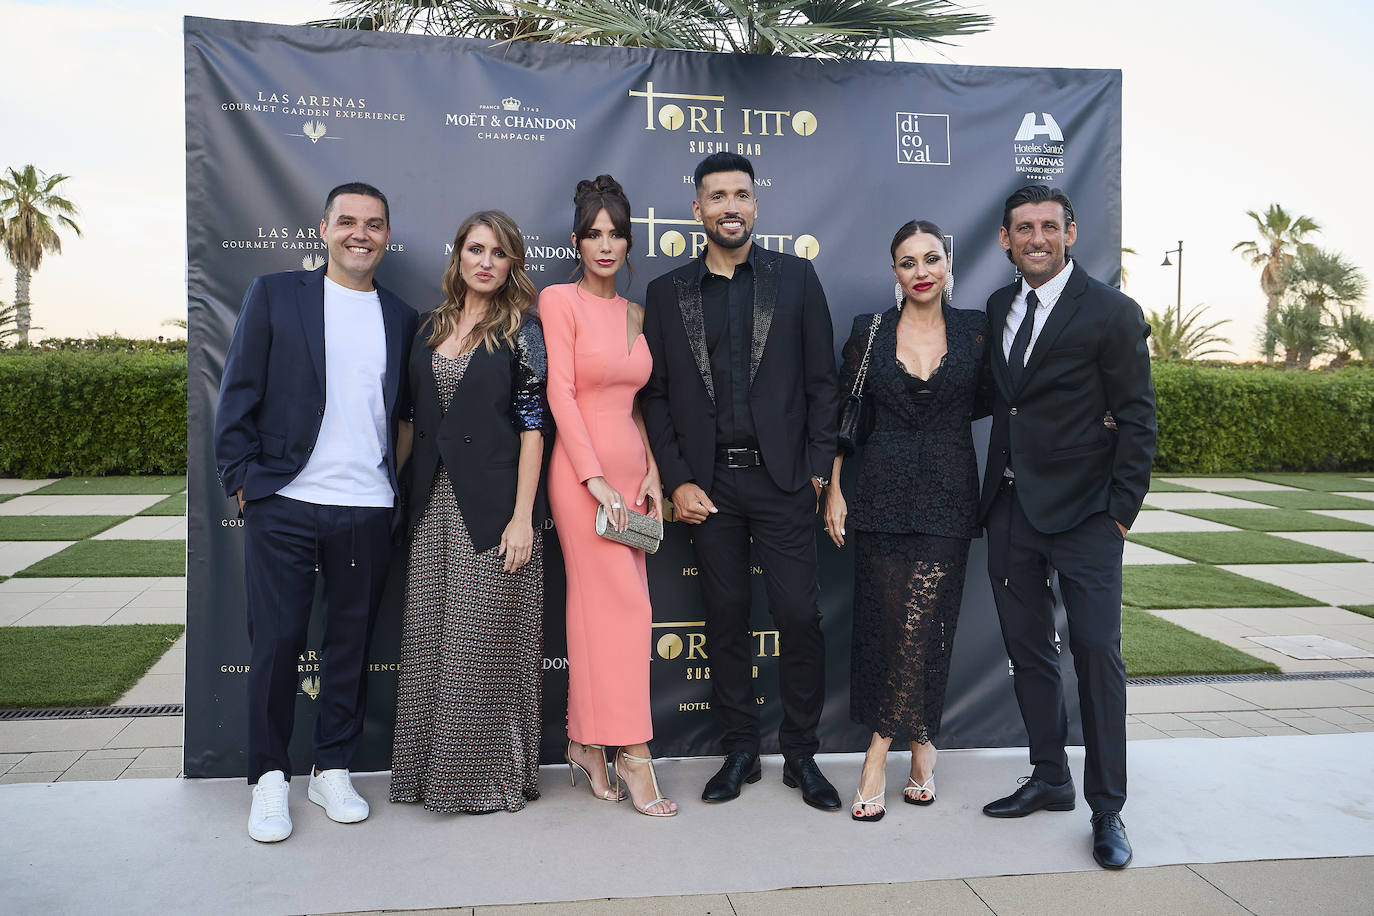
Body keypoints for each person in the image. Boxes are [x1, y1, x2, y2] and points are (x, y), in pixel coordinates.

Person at [214, 181, 417, 843]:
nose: (361, 234)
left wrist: (390, 480)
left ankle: (332, 767)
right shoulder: (275, 294)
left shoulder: (402, 316)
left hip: (366, 507)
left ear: (388, 236)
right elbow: (238, 391)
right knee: (275, 643)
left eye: (375, 224)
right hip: (286, 503)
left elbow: (406, 416)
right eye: (348, 221)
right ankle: (269, 778)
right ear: (323, 228)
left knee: (350, 648)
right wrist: (244, 482)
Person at [641, 152, 841, 811]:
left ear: (756, 205)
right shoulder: (669, 293)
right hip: (709, 490)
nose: (730, 205)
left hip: (784, 484)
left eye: (741, 194)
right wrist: (676, 480)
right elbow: (659, 398)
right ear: (696, 210)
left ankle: (803, 755)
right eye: (716, 195)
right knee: (723, 619)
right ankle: (740, 751)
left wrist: (815, 472)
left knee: (799, 618)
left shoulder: (797, 279)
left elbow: (822, 386)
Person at [978, 185, 1156, 869]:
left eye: (1049, 227)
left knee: (1096, 656)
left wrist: (1118, 515)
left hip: (1086, 516)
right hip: (1011, 511)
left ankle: (1107, 809)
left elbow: (1138, 419)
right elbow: (1008, 405)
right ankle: (1050, 777)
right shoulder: (999, 307)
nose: (1037, 239)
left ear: (1071, 234)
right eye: (1023, 228)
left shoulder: (1112, 313)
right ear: (1005, 240)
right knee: (1029, 654)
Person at [823, 220, 992, 822]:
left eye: (931, 259)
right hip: (881, 494)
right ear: (893, 272)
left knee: (925, 623)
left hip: (949, 493)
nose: (921, 271)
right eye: (907, 262)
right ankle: (923, 742)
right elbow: (846, 421)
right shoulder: (868, 334)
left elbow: (1018, 393)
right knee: (888, 624)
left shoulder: (978, 332)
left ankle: (877, 753)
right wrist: (835, 490)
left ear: (948, 265)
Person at [389, 210, 548, 815]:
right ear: (458, 255)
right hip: (431, 509)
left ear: (512, 265)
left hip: (495, 512)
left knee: (481, 648)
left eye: (499, 252)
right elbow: (411, 422)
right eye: (476, 249)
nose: (486, 261)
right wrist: (393, 492)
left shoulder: (523, 331)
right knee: (432, 642)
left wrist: (522, 519)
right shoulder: (431, 326)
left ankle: (481, 782)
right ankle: (423, 778)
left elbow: (534, 429)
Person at [542, 175, 677, 817]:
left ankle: (585, 742)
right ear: (576, 241)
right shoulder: (558, 301)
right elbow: (560, 394)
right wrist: (593, 479)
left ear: (629, 243)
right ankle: (635, 753)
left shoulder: (639, 313)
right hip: (581, 479)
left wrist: (650, 470)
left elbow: (640, 403)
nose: (605, 244)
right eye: (593, 234)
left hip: (631, 478)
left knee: (609, 612)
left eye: (616, 234)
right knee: (622, 610)